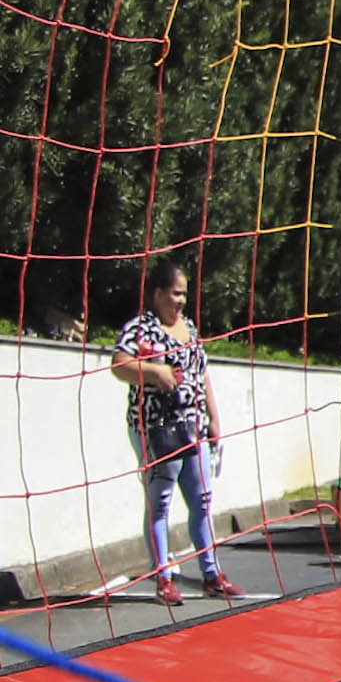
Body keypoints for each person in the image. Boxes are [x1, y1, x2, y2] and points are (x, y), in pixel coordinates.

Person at [107, 259, 242, 604]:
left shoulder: (190, 329)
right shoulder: (141, 328)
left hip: (193, 428)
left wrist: (213, 418)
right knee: (160, 503)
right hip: (156, 429)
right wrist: (154, 372)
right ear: (157, 294)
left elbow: (202, 375)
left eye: (184, 294)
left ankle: (212, 573)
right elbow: (119, 365)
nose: (180, 301)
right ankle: (163, 578)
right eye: (175, 293)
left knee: (201, 499)